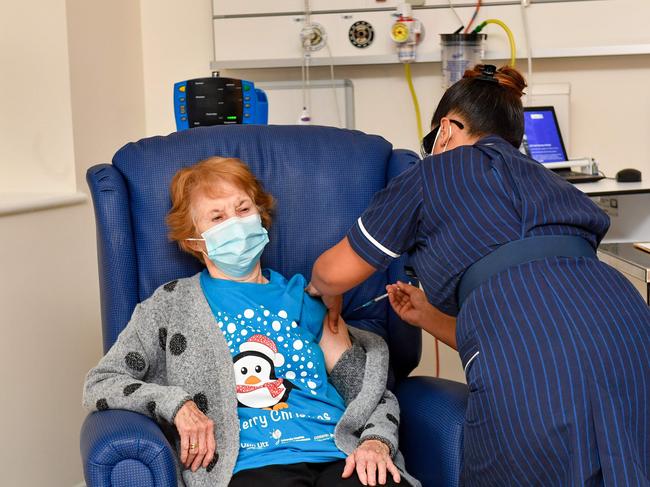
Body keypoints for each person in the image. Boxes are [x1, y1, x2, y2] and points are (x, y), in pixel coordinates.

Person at [308, 64, 650, 485]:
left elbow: (333, 272)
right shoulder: (550, 181)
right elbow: (543, 309)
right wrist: (427, 317)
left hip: (532, 358)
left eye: (432, 140)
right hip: (627, 332)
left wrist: (326, 290)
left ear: (448, 129)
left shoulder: (430, 175)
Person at [83, 156, 419, 487]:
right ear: (193, 240)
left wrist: (376, 442)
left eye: (243, 210)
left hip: (339, 455)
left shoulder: (305, 298)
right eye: (217, 217)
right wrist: (177, 405)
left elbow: (367, 391)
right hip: (252, 465)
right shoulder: (170, 305)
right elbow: (102, 383)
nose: (235, 224)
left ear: (261, 215)